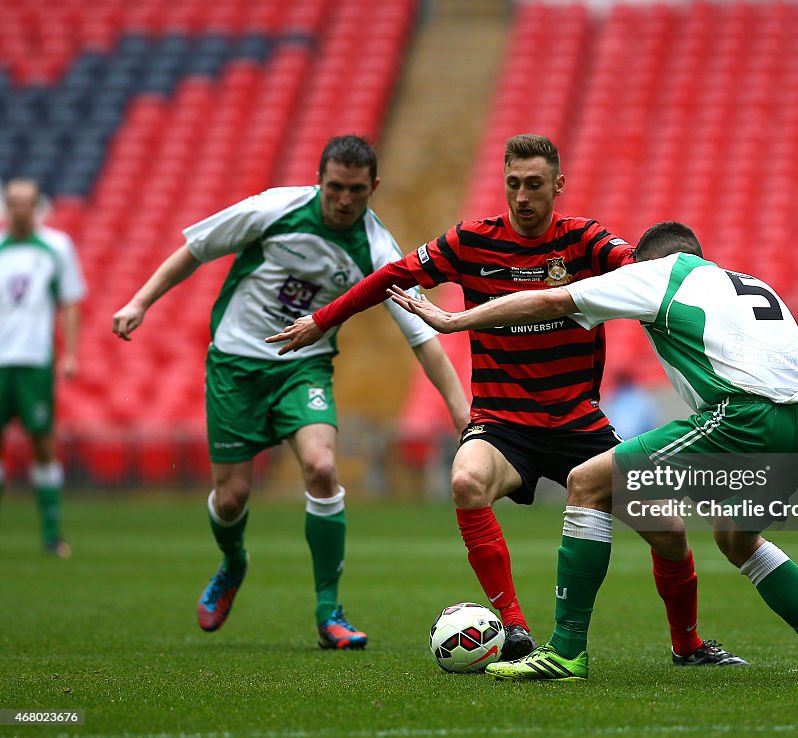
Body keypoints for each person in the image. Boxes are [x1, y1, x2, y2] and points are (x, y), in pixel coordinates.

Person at [267, 135, 745, 666]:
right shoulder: (471, 242)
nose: (522, 196)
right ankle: (513, 628)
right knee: (466, 480)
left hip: (577, 422)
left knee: (671, 532)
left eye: (535, 184)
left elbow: (643, 268)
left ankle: (689, 646)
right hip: (502, 421)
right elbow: (391, 276)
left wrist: (713, 291)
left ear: (557, 186)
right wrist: (321, 319)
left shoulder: (583, 241)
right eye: (513, 183)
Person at [389, 220, 798, 681]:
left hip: (747, 415)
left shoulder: (658, 274)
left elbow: (550, 301)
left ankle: (564, 652)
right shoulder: (745, 281)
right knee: (735, 537)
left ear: (648, 262)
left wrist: (456, 320)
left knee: (586, 481)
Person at [112, 135, 469, 649]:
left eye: (356, 191)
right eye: (335, 187)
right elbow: (194, 250)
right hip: (235, 365)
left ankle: (329, 612)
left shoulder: (377, 248)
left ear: (374, 187)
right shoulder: (273, 208)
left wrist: (462, 415)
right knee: (232, 496)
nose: (344, 200)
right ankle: (233, 562)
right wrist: (139, 302)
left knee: (323, 468)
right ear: (319, 180)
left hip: (304, 368)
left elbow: (424, 338)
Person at [0, 178, 85, 559]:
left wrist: (69, 353)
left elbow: (70, 301)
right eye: (13, 202)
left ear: (37, 206)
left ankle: (52, 534)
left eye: (26, 202)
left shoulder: (56, 247)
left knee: (42, 443)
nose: (20, 208)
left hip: (34, 359)